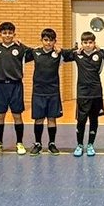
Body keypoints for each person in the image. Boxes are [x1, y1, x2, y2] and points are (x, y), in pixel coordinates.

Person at [0, 21, 30, 155]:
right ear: (0, 34)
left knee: (17, 115)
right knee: (0, 116)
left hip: (16, 85)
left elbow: (34, 52)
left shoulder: (20, 48)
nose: (7, 35)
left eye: (10, 33)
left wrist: (22, 44)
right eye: (4, 33)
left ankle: (19, 143)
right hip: (0, 86)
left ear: (14, 34)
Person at [25, 28, 68, 156]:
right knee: (38, 119)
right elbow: (21, 52)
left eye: (51, 41)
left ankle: (51, 144)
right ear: (41, 40)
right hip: (38, 92)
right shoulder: (35, 52)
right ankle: (38, 143)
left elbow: (75, 52)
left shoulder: (59, 53)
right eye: (46, 40)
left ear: (55, 41)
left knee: (51, 119)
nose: (48, 43)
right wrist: (17, 41)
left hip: (53, 92)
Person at [69, 31, 104, 156]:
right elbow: (61, 52)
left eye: (90, 42)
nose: (88, 45)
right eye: (85, 42)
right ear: (81, 43)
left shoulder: (100, 54)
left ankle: (90, 144)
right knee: (81, 120)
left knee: (94, 119)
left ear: (94, 43)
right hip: (83, 94)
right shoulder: (77, 54)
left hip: (96, 93)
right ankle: (79, 145)